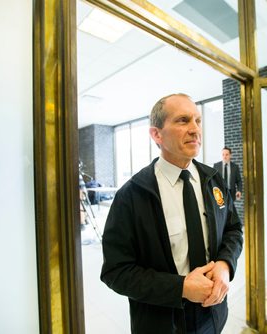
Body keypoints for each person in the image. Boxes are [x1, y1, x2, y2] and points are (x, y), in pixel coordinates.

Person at [100, 93, 243, 334]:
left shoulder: (213, 180)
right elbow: (116, 271)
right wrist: (180, 288)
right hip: (162, 322)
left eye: (197, 120)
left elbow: (233, 230)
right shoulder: (132, 195)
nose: (195, 129)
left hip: (213, 314)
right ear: (156, 134)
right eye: (183, 120)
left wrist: (224, 264)